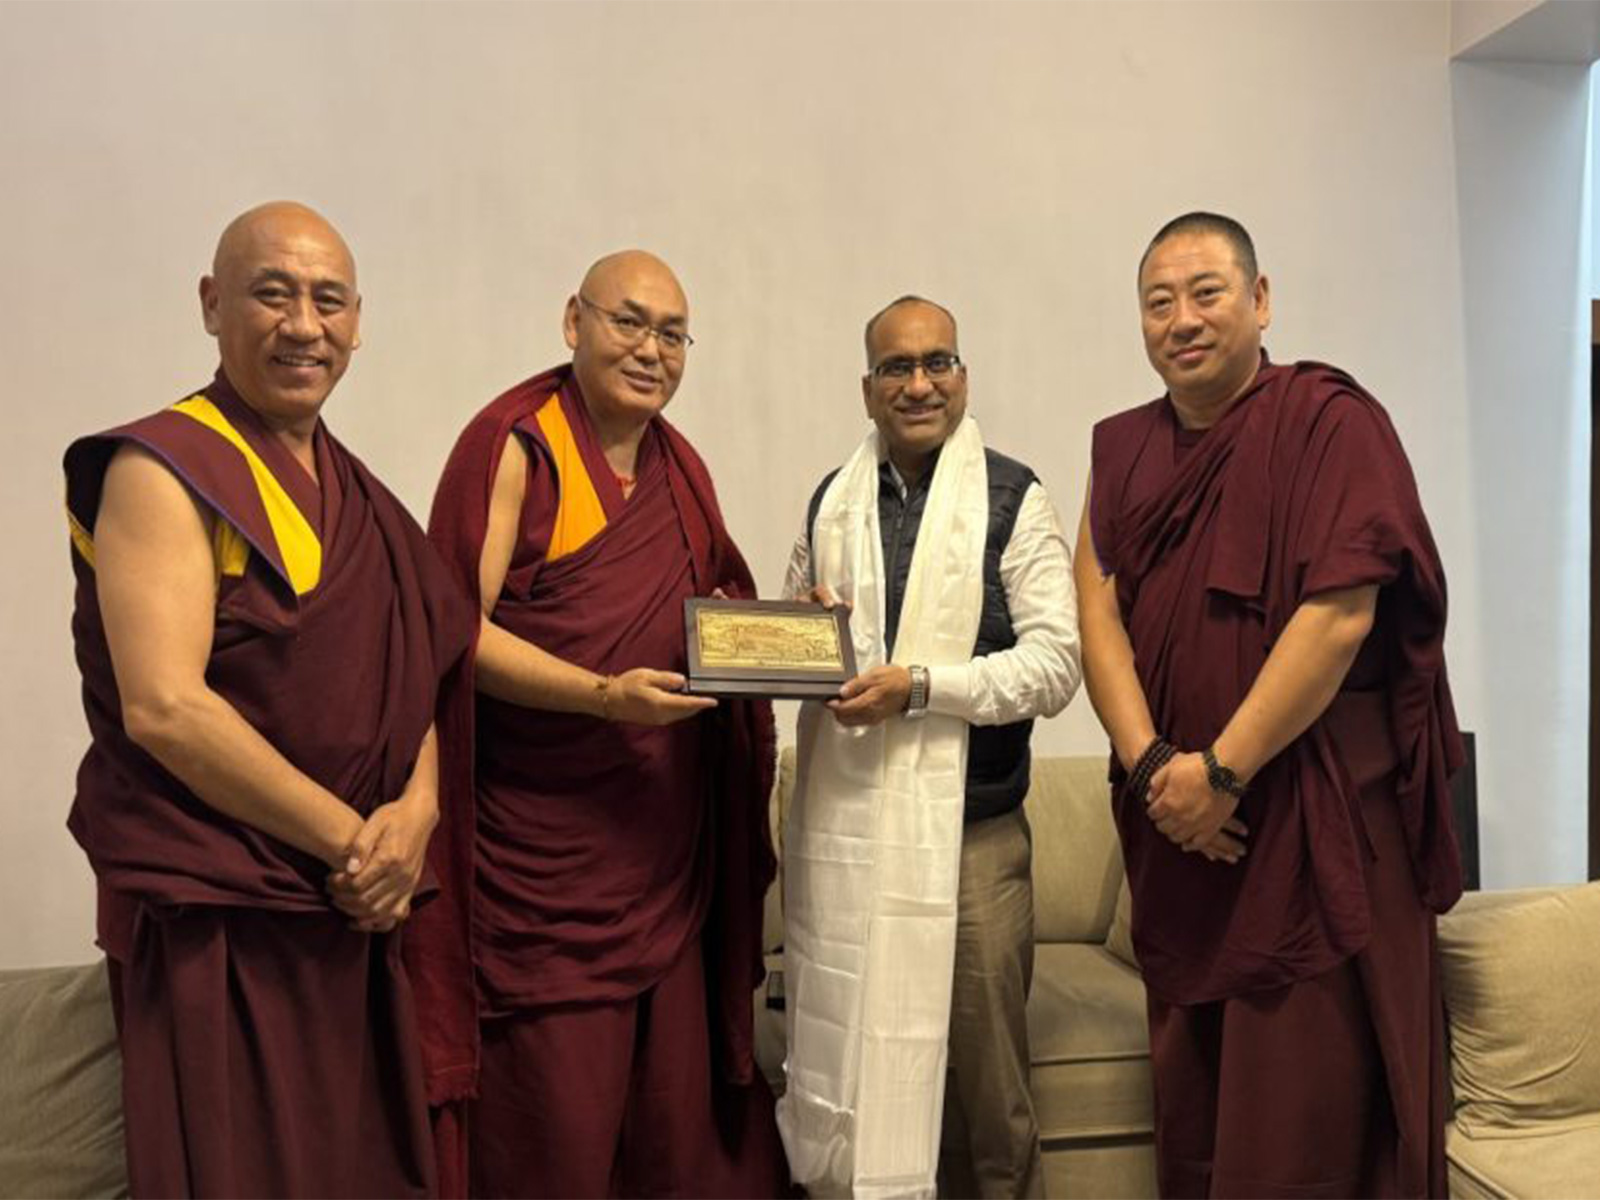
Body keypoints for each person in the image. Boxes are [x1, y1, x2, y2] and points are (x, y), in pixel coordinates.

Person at [62, 201, 474, 1197]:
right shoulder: (163, 469)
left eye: (328, 301)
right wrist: (354, 842)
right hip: (227, 916)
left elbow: (417, 663)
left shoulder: (358, 493)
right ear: (212, 305)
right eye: (271, 294)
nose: (304, 326)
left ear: (358, 322)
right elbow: (163, 705)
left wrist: (414, 818)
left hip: (351, 912)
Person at [1074, 211, 1464, 1198]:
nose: (1180, 319)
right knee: (1199, 1103)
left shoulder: (1330, 424)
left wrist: (1222, 771)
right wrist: (1156, 766)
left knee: (1308, 1114)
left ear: (1259, 300)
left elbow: (1337, 614)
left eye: (1205, 292)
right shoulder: (1122, 451)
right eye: (1156, 302)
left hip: (1309, 816)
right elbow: (1096, 607)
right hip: (1185, 835)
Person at [407, 250, 786, 1198]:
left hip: (661, 848)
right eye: (629, 322)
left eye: (671, 333)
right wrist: (601, 696)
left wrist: (793, 631)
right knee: (555, 1137)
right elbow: (454, 635)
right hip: (542, 864)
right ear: (572, 321)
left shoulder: (677, 465)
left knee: (673, 1132)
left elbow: (713, 615)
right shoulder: (513, 444)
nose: (651, 350)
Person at [778, 296, 1081, 1198]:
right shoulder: (830, 499)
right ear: (867, 389)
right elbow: (801, 630)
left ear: (963, 375)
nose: (919, 384)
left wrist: (921, 688)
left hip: (973, 836)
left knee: (991, 1093)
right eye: (896, 368)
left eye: (937, 363)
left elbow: (1056, 667)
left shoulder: (1013, 497)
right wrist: (797, 634)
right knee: (852, 1068)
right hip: (846, 830)